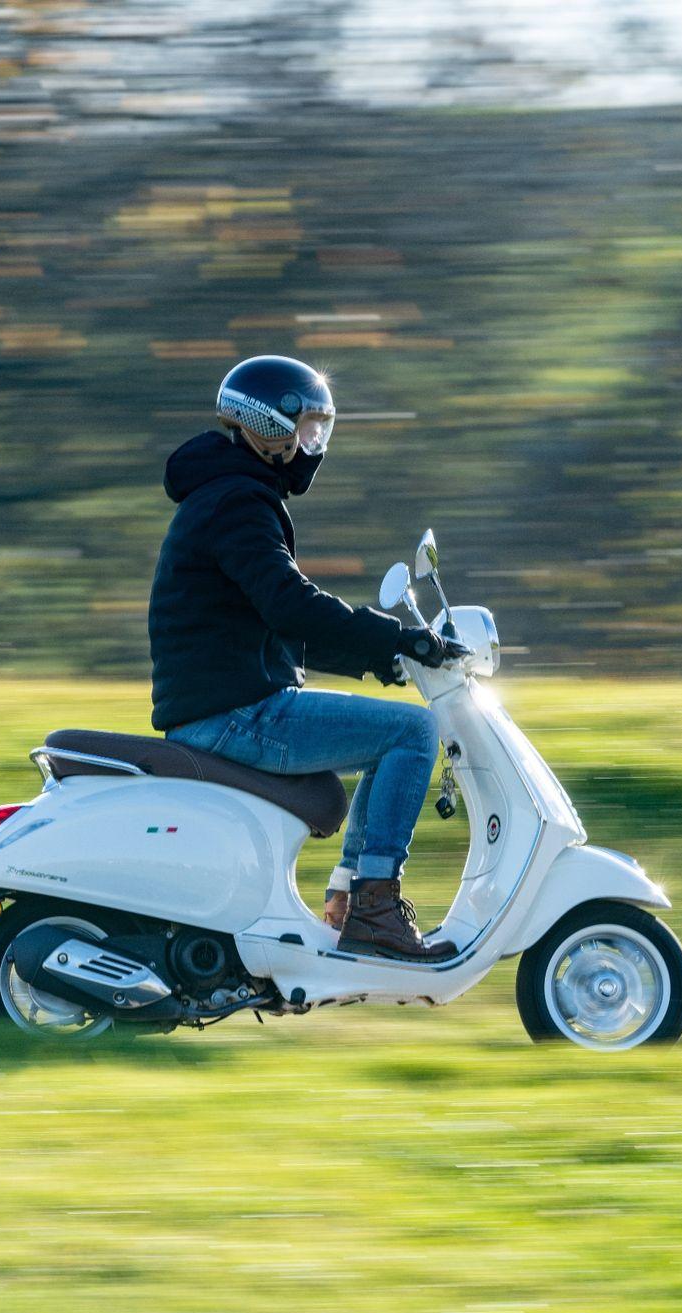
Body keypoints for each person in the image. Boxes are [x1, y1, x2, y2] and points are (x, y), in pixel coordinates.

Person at [148, 355, 465, 962]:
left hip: (229, 703)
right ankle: (375, 908)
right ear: (266, 428)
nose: (312, 444)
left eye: (321, 429)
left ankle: (350, 899)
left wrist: (382, 661)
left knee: (388, 732)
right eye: (306, 429)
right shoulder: (237, 501)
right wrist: (393, 636)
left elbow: (276, 624)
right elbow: (290, 604)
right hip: (234, 713)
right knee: (413, 731)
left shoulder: (229, 493)